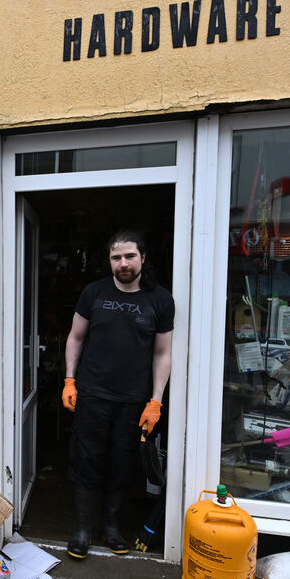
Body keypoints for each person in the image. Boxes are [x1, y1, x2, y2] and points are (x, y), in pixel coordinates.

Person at [62, 229, 175, 558]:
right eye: (116, 257)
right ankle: (83, 530)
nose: (123, 263)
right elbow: (75, 338)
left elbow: (162, 353)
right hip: (93, 394)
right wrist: (70, 381)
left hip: (133, 400)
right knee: (86, 461)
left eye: (129, 256)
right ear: (109, 261)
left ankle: (111, 527)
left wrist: (156, 400)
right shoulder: (93, 293)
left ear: (143, 258)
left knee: (122, 464)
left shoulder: (160, 300)